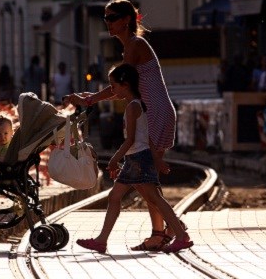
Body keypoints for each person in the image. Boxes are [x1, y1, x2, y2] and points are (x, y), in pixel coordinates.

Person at [65, 0, 182, 251]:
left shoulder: (134, 45)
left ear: (126, 20)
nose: (107, 22)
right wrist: (91, 98)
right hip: (153, 112)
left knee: (146, 180)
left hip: (156, 113)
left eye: (112, 17)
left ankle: (168, 230)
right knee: (146, 181)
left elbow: (121, 83)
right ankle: (162, 232)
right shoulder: (130, 46)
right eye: (105, 17)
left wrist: (91, 99)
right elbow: (121, 87)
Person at [75, 63, 193, 254]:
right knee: (119, 197)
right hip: (137, 158)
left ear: (125, 84)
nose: (112, 90)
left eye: (114, 86)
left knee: (153, 198)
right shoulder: (137, 105)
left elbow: (130, 140)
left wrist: (114, 160)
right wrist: (157, 159)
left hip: (137, 159)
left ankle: (180, 235)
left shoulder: (132, 107)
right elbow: (147, 138)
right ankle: (101, 240)